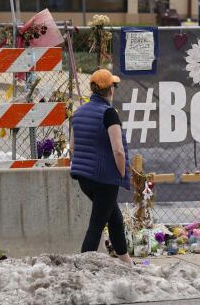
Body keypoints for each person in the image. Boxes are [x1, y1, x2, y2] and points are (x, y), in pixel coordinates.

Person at [70, 68, 133, 265]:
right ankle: (82, 267)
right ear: (110, 90)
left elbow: (72, 147)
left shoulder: (78, 112)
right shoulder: (109, 114)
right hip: (104, 179)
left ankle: (126, 261)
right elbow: (118, 151)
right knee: (97, 224)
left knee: (114, 218)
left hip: (84, 178)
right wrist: (121, 173)